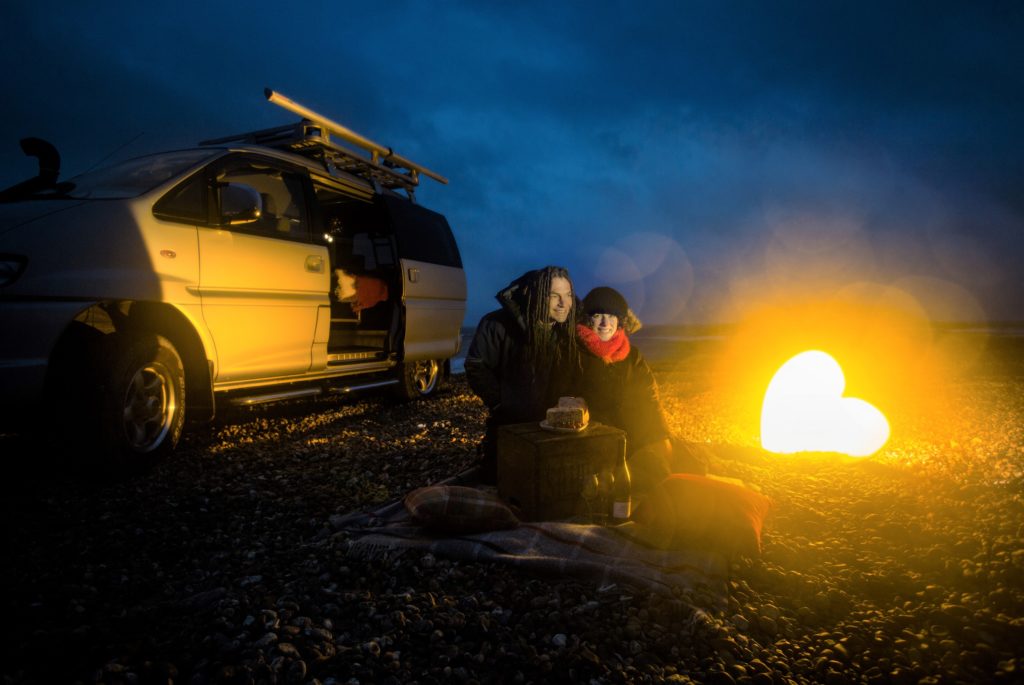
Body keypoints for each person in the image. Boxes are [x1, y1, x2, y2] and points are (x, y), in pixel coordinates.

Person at [576, 286, 706, 495]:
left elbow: (649, 399)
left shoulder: (632, 357)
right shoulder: (575, 355)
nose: (604, 323)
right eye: (597, 315)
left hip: (635, 436)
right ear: (586, 319)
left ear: (620, 321)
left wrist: (659, 439)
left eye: (611, 316)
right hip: (597, 442)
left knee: (681, 469)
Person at [465, 266, 580, 483]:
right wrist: (501, 403)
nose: (563, 303)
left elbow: (606, 326)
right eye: (554, 296)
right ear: (537, 296)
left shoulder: (568, 329)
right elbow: (476, 365)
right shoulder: (496, 324)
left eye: (568, 295)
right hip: (510, 424)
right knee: (502, 481)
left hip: (557, 427)